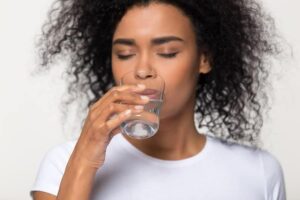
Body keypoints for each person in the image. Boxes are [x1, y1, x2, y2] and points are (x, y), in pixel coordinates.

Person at [30, 0, 286, 199]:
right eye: (124, 53)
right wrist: (85, 161)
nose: (142, 70)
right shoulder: (66, 163)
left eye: (167, 52)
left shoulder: (259, 172)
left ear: (204, 59)